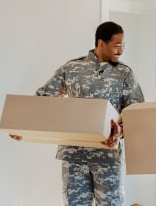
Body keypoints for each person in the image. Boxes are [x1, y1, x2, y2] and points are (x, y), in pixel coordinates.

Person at [10, 21, 144, 206]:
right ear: (101, 43)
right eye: (117, 45)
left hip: (106, 157)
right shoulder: (72, 68)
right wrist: (21, 127)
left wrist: (120, 132)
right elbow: (43, 98)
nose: (121, 51)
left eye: (123, 45)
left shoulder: (125, 74)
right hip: (74, 157)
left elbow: (135, 114)